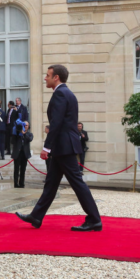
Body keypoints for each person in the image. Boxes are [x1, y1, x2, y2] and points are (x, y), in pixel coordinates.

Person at [16, 65, 102, 232]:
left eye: (48, 75)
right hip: (63, 146)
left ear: (56, 77)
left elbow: (57, 123)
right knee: (51, 183)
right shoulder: (66, 93)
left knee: (77, 183)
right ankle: (36, 216)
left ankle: (94, 219)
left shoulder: (61, 93)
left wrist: (46, 147)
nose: (45, 78)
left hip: (64, 146)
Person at [11, 121, 32, 189]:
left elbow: (29, 139)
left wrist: (24, 133)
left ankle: (21, 183)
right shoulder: (17, 134)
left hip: (24, 154)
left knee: (23, 170)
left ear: (28, 126)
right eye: (24, 125)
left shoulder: (29, 134)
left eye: (26, 125)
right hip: (17, 153)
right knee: (16, 169)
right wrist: (17, 132)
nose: (25, 126)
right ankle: (16, 183)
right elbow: (12, 141)